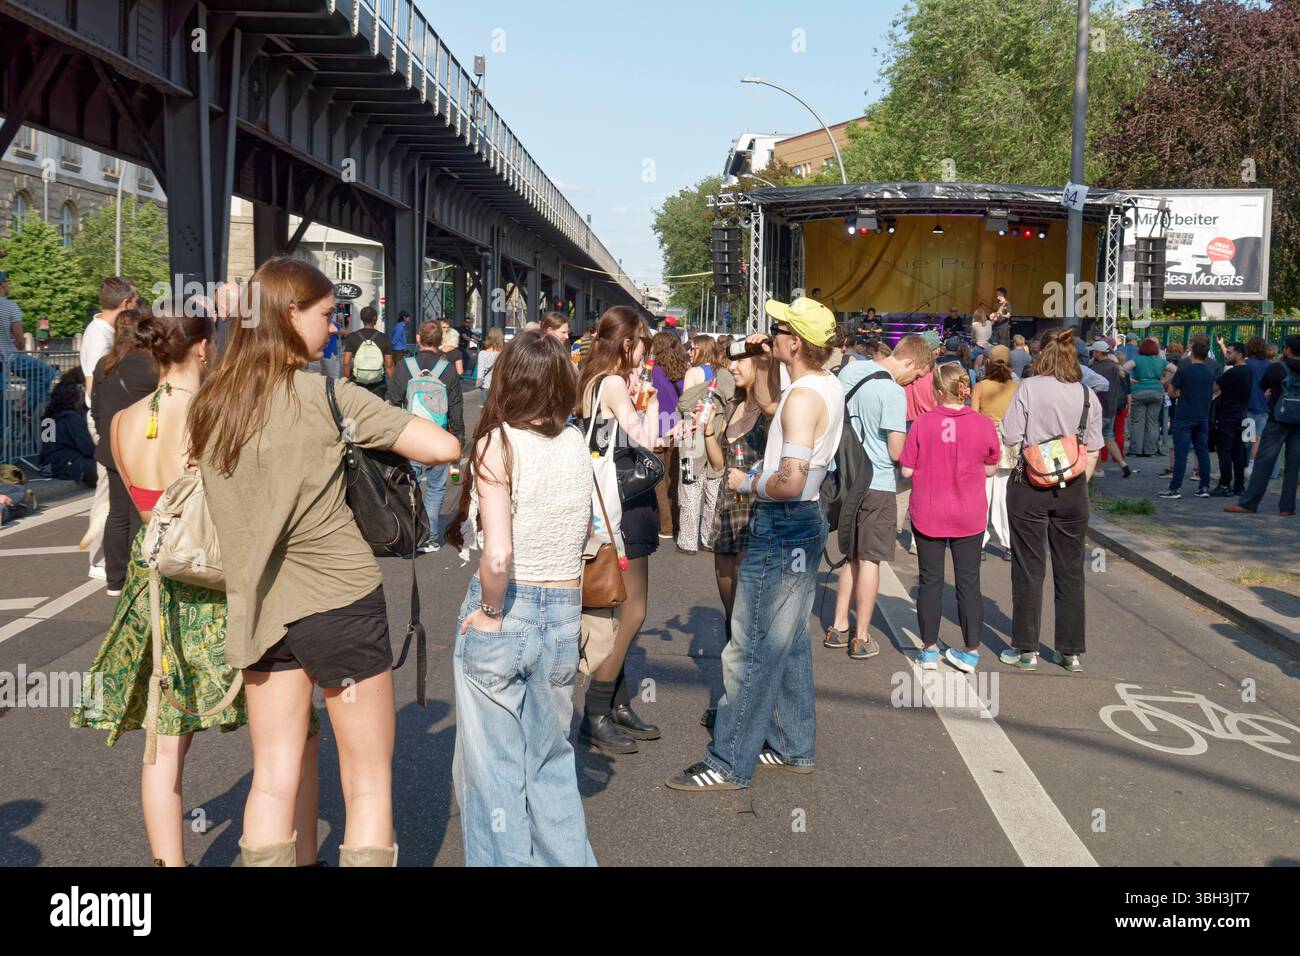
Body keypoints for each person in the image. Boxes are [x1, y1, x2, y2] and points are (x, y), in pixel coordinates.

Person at [189, 257, 460, 867]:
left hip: (261, 606)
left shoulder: (212, 407)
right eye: (324, 314)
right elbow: (441, 446)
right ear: (289, 315)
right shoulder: (327, 396)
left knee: (272, 779)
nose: (333, 327)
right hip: (341, 600)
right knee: (366, 782)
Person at [70, 309, 322, 867]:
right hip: (217, 581)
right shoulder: (215, 417)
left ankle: (169, 863)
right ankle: (301, 857)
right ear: (203, 348)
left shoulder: (122, 422)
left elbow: (141, 504)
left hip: (156, 583)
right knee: (293, 732)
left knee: (164, 739)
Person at [666, 296, 844, 791]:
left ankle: (728, 761)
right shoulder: (817, 386)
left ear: (795, 341)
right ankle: (794, 745)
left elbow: (787, 480)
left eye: (779, 327)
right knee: (789, 645)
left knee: (749, 648)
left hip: (783, 518)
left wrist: (745, 483)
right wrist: (767, 360)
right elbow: (771, 405)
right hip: (803, 522)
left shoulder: (805, 397)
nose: (770, 331)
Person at [443, 331, 595, 866]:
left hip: (509, 611)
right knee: (552, 763)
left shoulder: (497, 444)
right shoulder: (575, 442)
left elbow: (499, 555)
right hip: (563, 612)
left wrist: (487, 613)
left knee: (493, 779)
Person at [576, 307, 662, 754]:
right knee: (632, 611)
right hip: (624, 506)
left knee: (618, 607)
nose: (648, 349)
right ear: (627, 344)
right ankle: (595, 709)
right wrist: (652, 403)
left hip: (608, 502)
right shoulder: (612, 383)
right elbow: (644, 440)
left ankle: (618, 702)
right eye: (643, 340)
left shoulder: (589, 378)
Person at [999, 330, 1102, 673]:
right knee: (1071, 571)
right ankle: (1070, 652)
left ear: (1040, 355)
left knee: (1028, 568)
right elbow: (1094, 448)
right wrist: (1075, 479)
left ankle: (1026, 649)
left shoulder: (1028, 388)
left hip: (1030, 483)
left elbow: (1012, 435)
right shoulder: (1088, 394)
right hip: (1073, 487)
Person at [827, 334, 934, 658]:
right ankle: (861, 637)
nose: (912, 382)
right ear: (910, 362)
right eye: (915, 376)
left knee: (851, 557)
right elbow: (895, 448)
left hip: (847, 478)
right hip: (878, 483)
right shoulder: (892, 391)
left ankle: (838, 626)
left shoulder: (850, 372)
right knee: (870, 558)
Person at [901, 363, 1000, 672]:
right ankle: (970, 651)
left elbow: (906, 469)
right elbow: (991, 466)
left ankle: (929, 649)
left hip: (929, 509)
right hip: (968, 513)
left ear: (938, 391)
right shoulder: (983, 424)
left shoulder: (921, 423)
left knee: (930, 581)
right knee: (968, 582)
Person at [699, 340, 775, 727]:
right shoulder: (732, 407)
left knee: (749, 621)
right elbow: (717, 464)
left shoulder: (769, 412)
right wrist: (709, 432)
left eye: (741, 359)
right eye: (731, 359)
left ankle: (747, 709)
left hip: (755, 516)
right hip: (727, 514)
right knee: (732, 620)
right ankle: (734, 699)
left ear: (760, 363)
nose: (733, 365)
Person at [90, 309, 159, 597]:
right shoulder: (151, 365)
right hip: (140, 447)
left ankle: (114, 578)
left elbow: (94, 408)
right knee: (137, 513)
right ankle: (135, 576)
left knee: (117, 512)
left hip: (110, 445)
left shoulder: (104, 364)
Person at [387, 319, 466, 552]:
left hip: (410, 437)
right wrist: (458, 439)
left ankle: (412, 533)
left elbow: (392, 403)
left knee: (409, 486)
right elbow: (456, 408)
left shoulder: (404, 367)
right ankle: (430, 537)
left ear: (419, 339)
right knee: (436, 488)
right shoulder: (447, 370)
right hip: (438, 438)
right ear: (441, 342)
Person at [79, 277, 138, 580]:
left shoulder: (100, 330)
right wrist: (103, 423)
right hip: (105, 420)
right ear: (126, 303)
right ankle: (100, 559)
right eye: (136, 301)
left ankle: (108, 558)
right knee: (108, 494)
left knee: (112, 493)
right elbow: (93, 383)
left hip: (106, 419)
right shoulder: (100, 335)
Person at [1226, 334, 1300, 517]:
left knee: (1263, 462)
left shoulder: (1278, 367)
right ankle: (1287, 507)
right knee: (1293, 465)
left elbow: (1263, 385)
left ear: (1288, 349)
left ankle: (1249, 503)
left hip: (1278, 420)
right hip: (1299, 422)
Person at [677, 335, 724, 554]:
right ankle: (709, 538)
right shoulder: (723, 374)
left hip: (693, 437)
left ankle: (688, 541)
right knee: (713, 489)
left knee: (690, 488)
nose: (689, 352)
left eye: (692, 348)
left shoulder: (692, 373)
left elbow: (685, 406)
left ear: (701, 350)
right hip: (715, 434)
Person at [971, 344, 1019, 559]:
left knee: (982, 496)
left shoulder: (980, 387)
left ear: (988, 362)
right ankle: (1008, 543)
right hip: (1009, 444)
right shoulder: (1016, 387)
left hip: (983, 443)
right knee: (1004, 496)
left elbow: (972, 418)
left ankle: (979, 542)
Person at [1159, 338, 1215, 500]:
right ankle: (1204, 486)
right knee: (1202, 452)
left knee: (1181, 453)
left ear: (1192, 354)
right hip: (1202, 415)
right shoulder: (1209, 372)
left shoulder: (1185, 370)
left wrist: (1180, 394)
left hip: (1184, 415)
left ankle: (1174, 488)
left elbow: (1171, 391)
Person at [650, 329, 689, 540]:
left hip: (657, 429)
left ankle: (664, 526)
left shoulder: (655, 370)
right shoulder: (683, 370)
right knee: (673, 480)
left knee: (658, 481)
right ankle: (675, 523)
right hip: (677, 429)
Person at [1087, 340, 1135, 478]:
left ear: (1097, 353)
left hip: (1099, 408)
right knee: (1108, 437)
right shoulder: (1115, 367)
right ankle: (1123, 464)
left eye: (1093, 352)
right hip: (1112, 408)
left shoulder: (1098, 369)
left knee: (1095, 440)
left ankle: (1099, 469)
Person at [1211, 341, 1252, 498]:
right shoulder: (1248, 372)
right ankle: (1239, 485)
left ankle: (1224, 483)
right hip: (1242, 415)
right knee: (1238, 452)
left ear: (1240, 354)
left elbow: (1214, 388)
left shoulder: (1233, 373)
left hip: (1228, 416)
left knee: (1224, 451)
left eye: (1229, 352)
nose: (1226, 355)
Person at [39, 370, 96, 484]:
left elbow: (47, 444)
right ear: (75, 397)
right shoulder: (72, 418)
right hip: (70, 464)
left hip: (49, 464)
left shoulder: (49, 416)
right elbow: (88, 448)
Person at [1242, 336, 1280, 483]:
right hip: (1264, 405)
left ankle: (1245, 466)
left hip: (1249, 404)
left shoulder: (1247, 364)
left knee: (1247, 438)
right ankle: (1254, 466)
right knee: (1258, 438)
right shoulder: (1269, 365)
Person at [1126, 338, 1167, 457]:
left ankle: (1136, 449)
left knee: (1137, 422)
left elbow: (1122, 369)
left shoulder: (1137, 360)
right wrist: (1163, 381)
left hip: (1139, 392)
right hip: (1156, 392)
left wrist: (1130, 380)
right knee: (1153, 422)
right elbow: (1176, 370)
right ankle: (1150, 450)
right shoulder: (1160, 361)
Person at [342, 305, 394, 397]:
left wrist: (346, 381)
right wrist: (394, 385)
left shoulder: (352, 337)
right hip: (378, 385)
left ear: (361, 319)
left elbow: (346, 363)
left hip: (358, 384)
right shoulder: (384, 338)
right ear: (375, 318)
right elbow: (389, 365)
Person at [475, 327, 504, 392]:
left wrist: (479, 384)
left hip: (486, 386)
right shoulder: (503, 354)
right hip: (499, 386)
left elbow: (480, 373)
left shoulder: (482, 354)